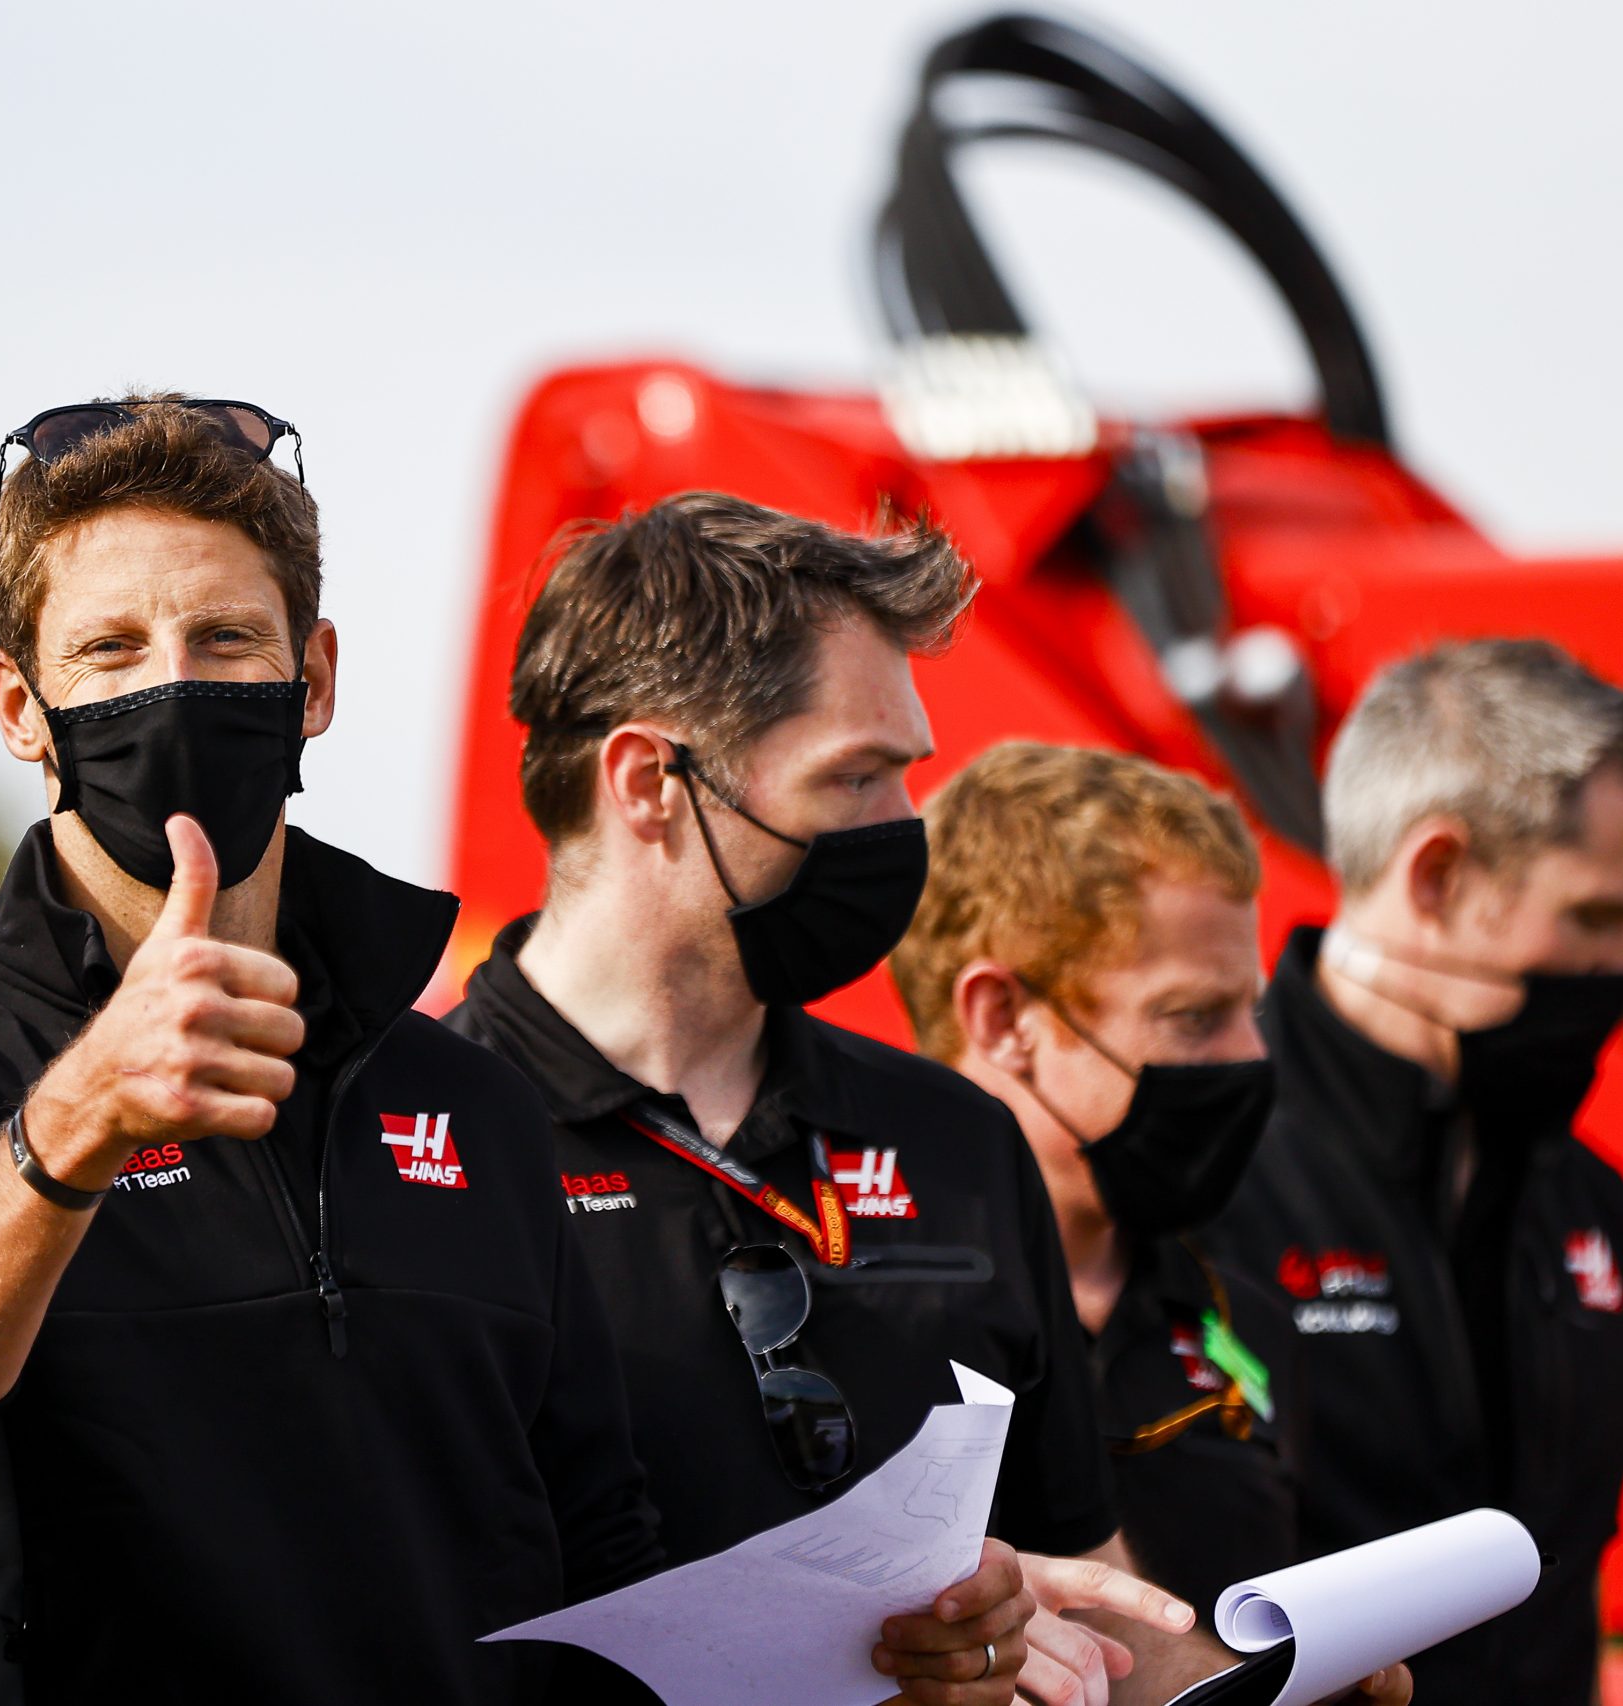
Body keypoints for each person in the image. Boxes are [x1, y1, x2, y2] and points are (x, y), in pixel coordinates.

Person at [0, 394, 665, 1704]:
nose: (172, 684)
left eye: (225, 638)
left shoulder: (474, 1098)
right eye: (109, 649)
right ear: (20, 705)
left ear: (313, 679)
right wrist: (71, 1126)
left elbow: (603, 1561)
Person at [447, 494, 1408, 1706]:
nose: (904, 828)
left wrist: (1263, 1686)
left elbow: (1085, 1603)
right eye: (854, 776)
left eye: (902, 776)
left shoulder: (956, 1141)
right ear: (649, 781)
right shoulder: (413, 1146)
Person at [1200, 638, 1623, 1704]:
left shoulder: (1585, 1202)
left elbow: (1570, 1591)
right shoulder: (1200, 1172)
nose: (1622, 967)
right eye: (1595, 916)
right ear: (1436, 875)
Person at [890, 742, 1303, 1626]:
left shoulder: (1243, 1302)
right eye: (1194, 1016)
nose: (1251, 1055)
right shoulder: (861, 1319)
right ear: (1004, 1018)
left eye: (1252, 1009)